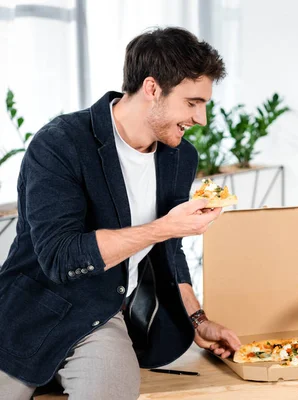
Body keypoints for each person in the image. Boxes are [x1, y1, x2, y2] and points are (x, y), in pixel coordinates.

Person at [0, 27, 241, 399]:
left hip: (102, 313)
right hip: (32, 309)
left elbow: (169, 251)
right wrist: (162, 227)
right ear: (152, 88)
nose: (202, 118)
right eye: (192, 102)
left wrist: (198, 320)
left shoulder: (180, 156)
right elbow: (60, 257)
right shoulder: (61, 142)